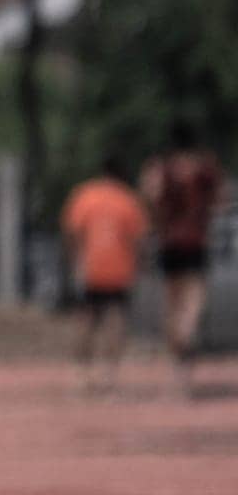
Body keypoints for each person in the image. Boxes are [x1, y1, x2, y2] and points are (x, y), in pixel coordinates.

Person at [141, 120, 227, 395]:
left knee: (172, 304)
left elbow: (150, 197)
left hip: (169, 243)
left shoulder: (161, 167)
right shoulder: (205, 167)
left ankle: (177, 371)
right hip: (196, 242)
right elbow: (221, 200)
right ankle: (185, 340)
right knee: (192, 304)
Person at [63, 156, 150, 394]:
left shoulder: (85, 195)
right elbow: (140, 240)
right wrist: (141, 265)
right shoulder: (128, 200)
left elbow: (72, 233)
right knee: (115, 319)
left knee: (85, 319)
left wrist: (74, 261)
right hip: (119, 270)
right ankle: (109, 374)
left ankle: (82, 373)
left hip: (89, 268)